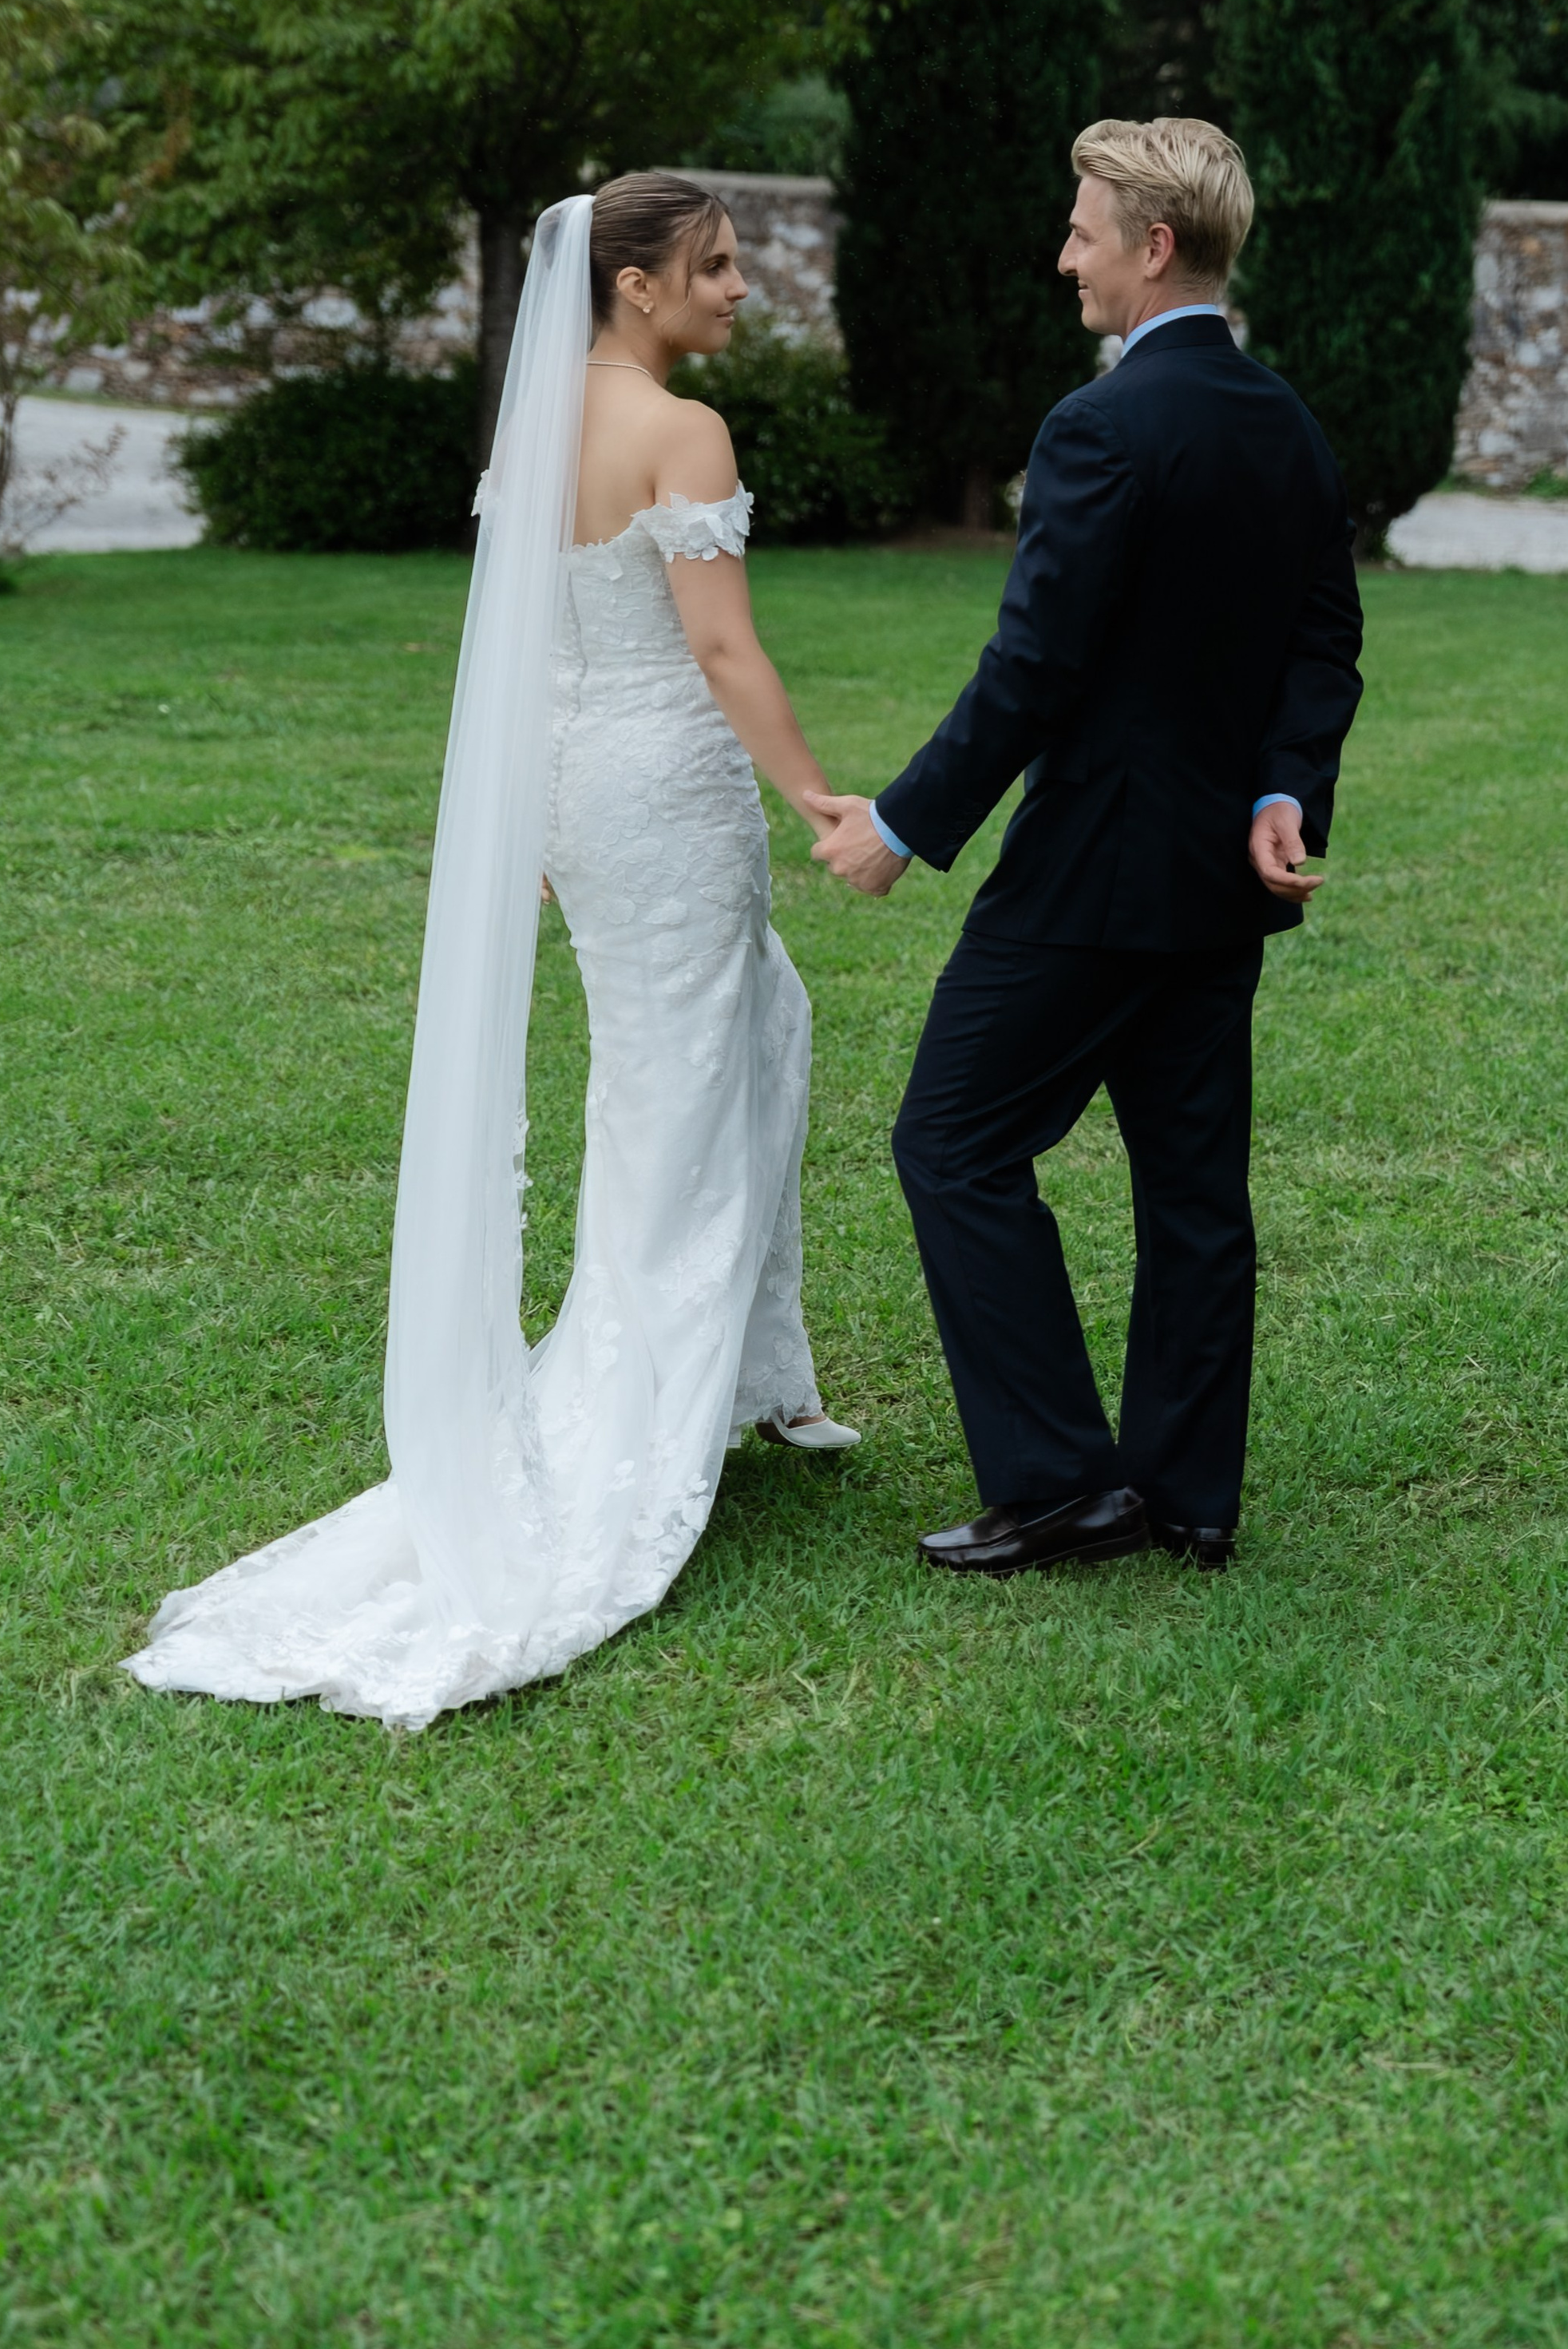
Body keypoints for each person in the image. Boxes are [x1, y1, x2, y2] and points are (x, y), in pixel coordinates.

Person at [126, 176, 854, 1728]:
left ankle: (757, 1370)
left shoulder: (535, 436)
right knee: (673, 1094)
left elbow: (526, 652)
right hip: (667, 789)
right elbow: (719, 647)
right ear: (634, 288)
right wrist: (813, 793)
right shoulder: (681, 434)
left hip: (584, 796)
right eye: (712, 267)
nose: (737, 289)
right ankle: (645, 1403)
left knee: (748, 1033)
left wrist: (524, 820)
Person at [807, 117, 1364, 1579]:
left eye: (1081, 229)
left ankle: (1057, 1482)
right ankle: (1187, 1499)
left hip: (1093, 878)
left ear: (1153, 245)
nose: (1065, 254)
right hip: (1218, 887)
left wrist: (904, 826)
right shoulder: (1287, 423)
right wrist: (1283, 789)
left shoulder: (1099, 426)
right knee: (1192, 1193)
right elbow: (1324, 649)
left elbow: (1034, 669)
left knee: (951, 1140)